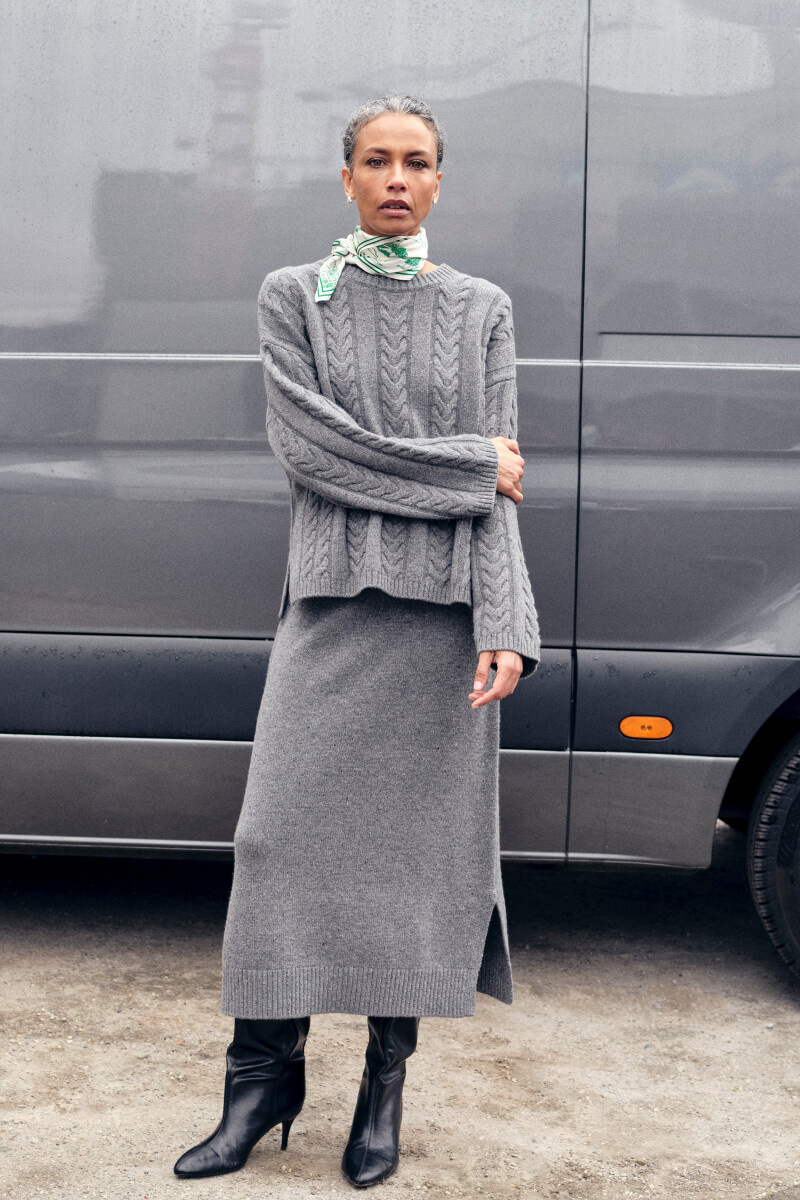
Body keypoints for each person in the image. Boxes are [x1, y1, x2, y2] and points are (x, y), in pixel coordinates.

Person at [173, 92, 541, 1190]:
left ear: (437, 181)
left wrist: (506, 621)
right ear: (346, 178)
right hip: (331, 609)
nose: (395, 178)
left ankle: (384, 1087)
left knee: (416, 866)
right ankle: (261, 1081)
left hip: (444, 627)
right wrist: (468, 464)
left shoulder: (481, 308)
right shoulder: (295, 294)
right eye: (376, 161)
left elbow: (503, 494)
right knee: (272, 845)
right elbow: (314, 451)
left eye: (415, 162)